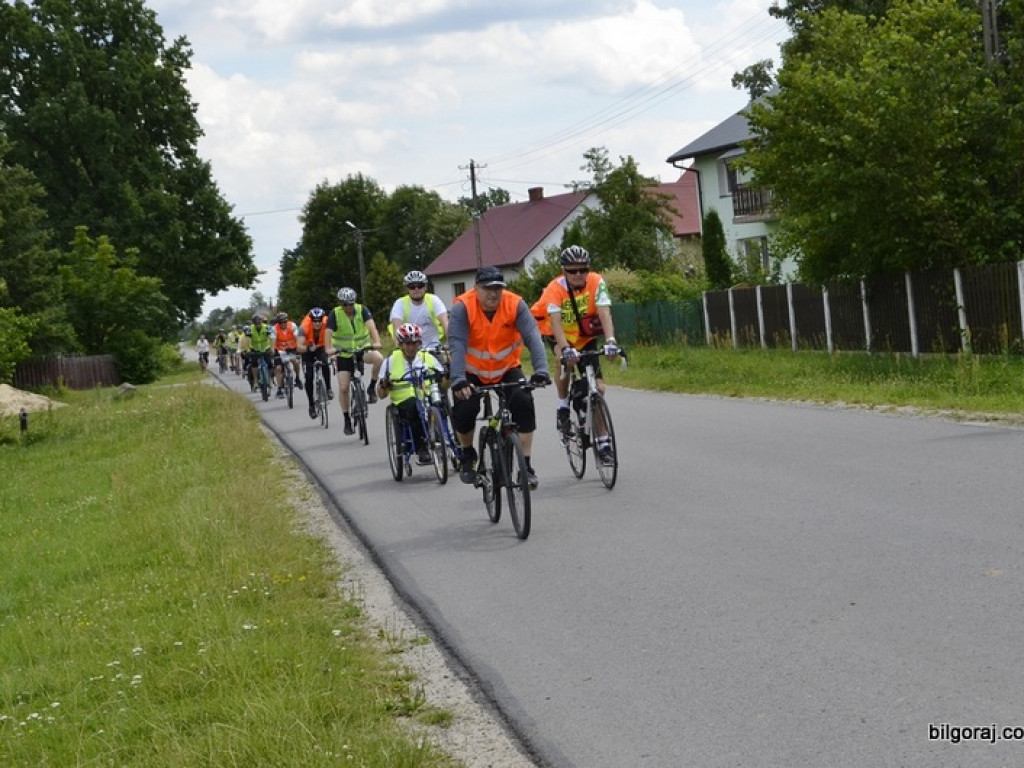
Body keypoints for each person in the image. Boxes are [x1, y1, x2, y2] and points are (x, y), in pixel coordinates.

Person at [448, 266, 551, 489]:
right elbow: (456, 343)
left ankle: (526, 465)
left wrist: (541, 369)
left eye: (498, 289)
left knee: (523, 402)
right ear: (476, 288)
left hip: (506, 368)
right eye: (487, 289)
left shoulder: (515, 304)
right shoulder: (463, 308)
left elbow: (533, 336)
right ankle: (467, 453)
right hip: (471, 371)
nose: (493, 294)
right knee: (465, 408)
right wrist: (458, 379)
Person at [532, 244, 619, 464]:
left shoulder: (596, 281)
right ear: (564, 271)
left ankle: (603, 441)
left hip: (586, 336)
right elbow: (555, 322)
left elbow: (604, 312)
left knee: (598, 389)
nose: (578, 274)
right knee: (564, 361)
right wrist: (566, 348)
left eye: (583, 269)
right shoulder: (554, 288)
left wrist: (610, 340)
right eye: (572, 270)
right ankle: (562, 405)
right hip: (560, 335)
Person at [377, 323, 446, 465]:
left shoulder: (427, 357)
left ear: (420, 343)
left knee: (443, 403)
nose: (411, 347)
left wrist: (446, 375)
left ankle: (450, 441)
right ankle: (421, 449)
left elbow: (444, 380)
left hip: (427, 396)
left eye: (415, 343)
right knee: (414, 408)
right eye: (407, 344)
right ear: (400, 344)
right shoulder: (390, 361)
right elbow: (381, 394)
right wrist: (384, 385)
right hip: (403, 402)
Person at [327, 287, 384, 435]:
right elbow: (328, 333)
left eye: (351, 304)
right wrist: (328, 349)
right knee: (344, 388)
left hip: (362, 348)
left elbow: (372, 327)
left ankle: (371, 387)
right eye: (345, 304)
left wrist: (376, 341)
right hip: (343, 353)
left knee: (379, 358)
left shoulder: (362, 310)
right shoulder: (335, 314)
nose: (349, 307)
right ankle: (346, 419)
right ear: (340, 304)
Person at [388, 270, 449, 351]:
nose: (416, 289)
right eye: (412, 287)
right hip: (410, 350)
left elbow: (445, 323)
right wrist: (399, 347)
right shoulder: (400, 303)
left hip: (434, 347)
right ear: (407, 289)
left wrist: (451, 342)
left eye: (420, 286)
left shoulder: (434, 300)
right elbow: (397, 327)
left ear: (425, 287)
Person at [297, 307, 333, 419]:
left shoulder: (327, 323)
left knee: (325, 364)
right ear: (311, 320)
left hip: (321, 347)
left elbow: (335, 338)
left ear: (322, 319)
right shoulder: (304, 327)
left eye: (319, 321)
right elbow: (299, 347)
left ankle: (328, 388)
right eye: (314, 321)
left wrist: (334, 353)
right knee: (309, 377)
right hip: (308, 349)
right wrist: (308, 349)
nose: (317, 323)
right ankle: (311, 405)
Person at [271, 311, 301, 399]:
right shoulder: (274, 328)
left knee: (296, 362)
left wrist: (300, 347)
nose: (283, 324)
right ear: (278, 322)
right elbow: (273, 340)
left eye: (285, 322)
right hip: (280, 350)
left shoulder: (292, 325)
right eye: (281, 322)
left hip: (291, 349)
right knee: (278, 368)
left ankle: (298, 378)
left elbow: (296, 336)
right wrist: (272, 350)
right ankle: (279, 389)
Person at [248, 313, 275, 392]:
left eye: (259, 323)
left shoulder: (267, 327)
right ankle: (256, 381)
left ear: (262, 322)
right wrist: (248, 349)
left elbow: (272, 338)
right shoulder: (250, 329)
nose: (258, 325)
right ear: (253, 323)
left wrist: (272, 348)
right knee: (254, 364)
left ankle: (270, 379)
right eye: (256, 324)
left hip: (265, 348)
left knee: (270, 364)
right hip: (254, 349)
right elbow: (247, 339)